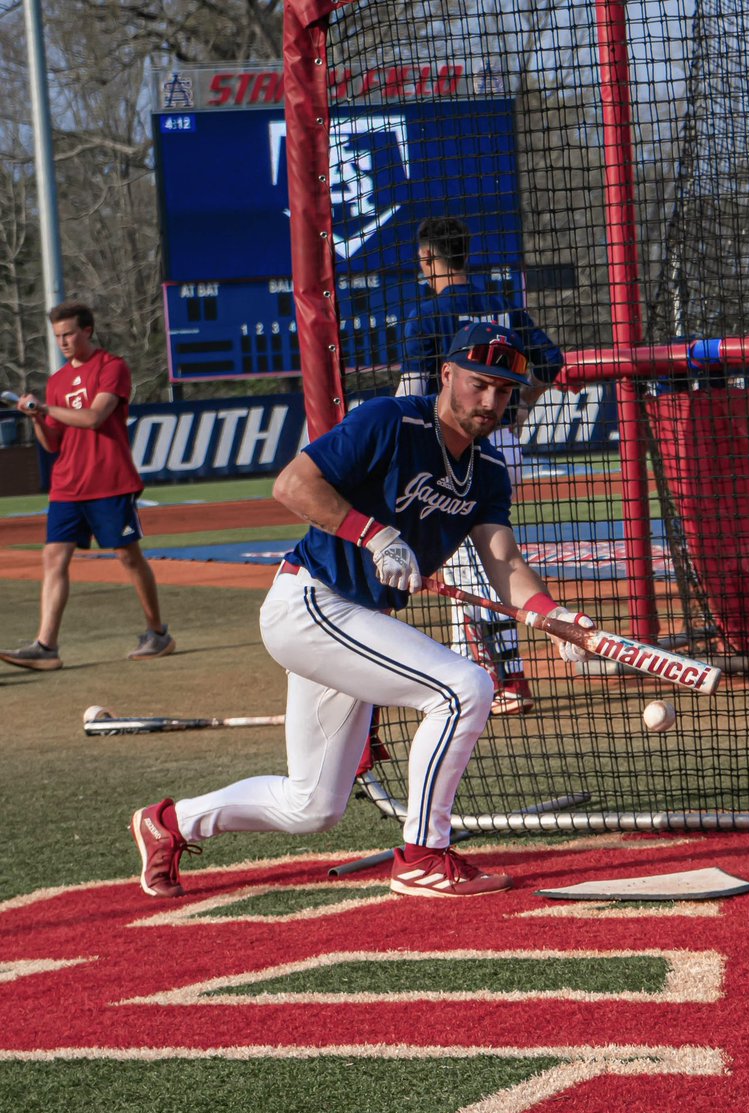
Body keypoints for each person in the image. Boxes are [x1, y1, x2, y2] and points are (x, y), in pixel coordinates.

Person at [130, 323, 593, 901]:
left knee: (312, 805)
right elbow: (292, 484)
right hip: (311, 603)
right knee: (464, 688)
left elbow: (503, 559)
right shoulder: (391, 420)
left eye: (503, 391)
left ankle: (170, 824)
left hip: (357, 621)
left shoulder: (490, 469)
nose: (490, 401)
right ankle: (423, 856)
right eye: (479, 384)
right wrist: (375, 535)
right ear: (447, 374)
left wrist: (554, 616)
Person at [396, 216, 564, 716]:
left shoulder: (426, 315)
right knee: (483, 557)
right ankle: (479, 676)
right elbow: (553, 365)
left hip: (450, 448)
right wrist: (518, 406)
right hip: (503, 445)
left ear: (427, 258)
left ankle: (507, 677)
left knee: (467, 566)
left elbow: (411, 394)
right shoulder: (504, 307)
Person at [0, 302, 174, 671]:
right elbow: (52, 444)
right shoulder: (57, 381)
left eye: (69, 334)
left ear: (87, 331)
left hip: (109, 480)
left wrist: (45, 409)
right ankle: (46, 646)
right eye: (58, 336)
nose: (63, 341)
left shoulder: (112, 367)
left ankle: (157, 632)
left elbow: (95, 417)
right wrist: (36, 418)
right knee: (53, 557)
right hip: (67, 484)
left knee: (128, 556)